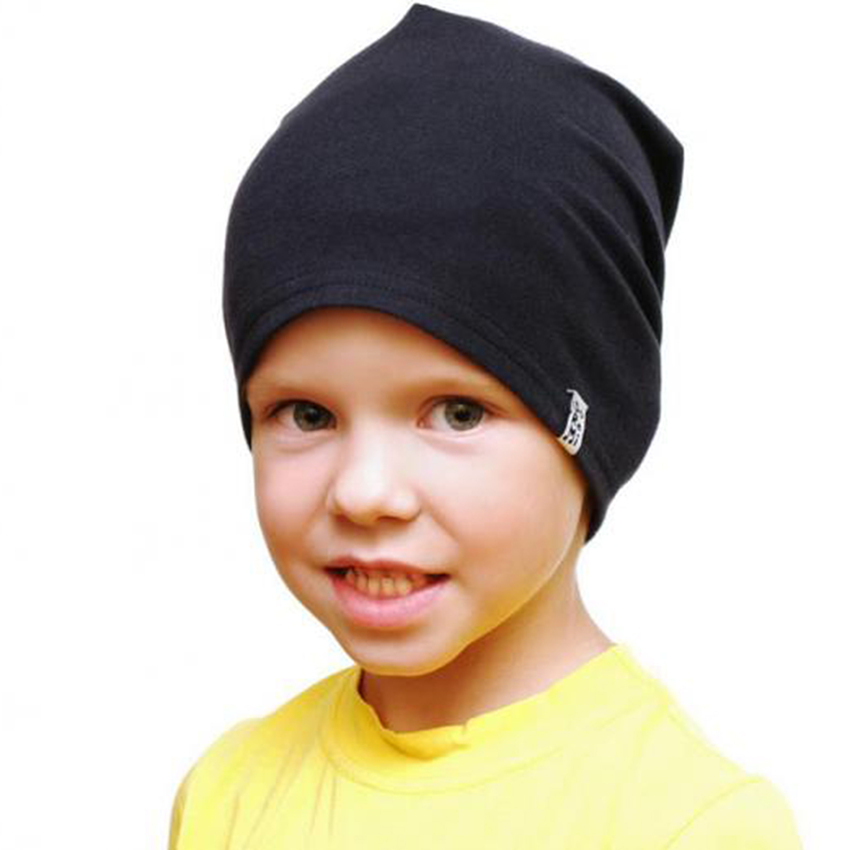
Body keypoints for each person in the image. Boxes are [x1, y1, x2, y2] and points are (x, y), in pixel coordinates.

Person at [168, 4, 803, 847]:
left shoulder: (688, 823)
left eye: (458, 413)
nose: (365, 492)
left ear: (589, 424)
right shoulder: (229, 792)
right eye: (307, 414)